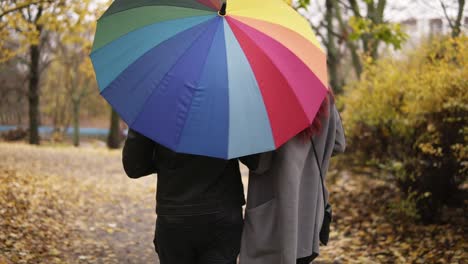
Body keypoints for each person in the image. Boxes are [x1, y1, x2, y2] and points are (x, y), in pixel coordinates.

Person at [239, 90, 346, 264]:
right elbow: (339, 144)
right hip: (310, 213)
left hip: (274, 216)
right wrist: (312, 157)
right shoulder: (322, 94)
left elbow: (261, 164)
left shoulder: (268, 99)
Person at [122, 131, 257, 264]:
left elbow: (134, 167)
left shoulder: (154, 112)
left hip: (174, 215)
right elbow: (255, 161)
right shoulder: (232, 111)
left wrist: (165, 162)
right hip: (222, 214)